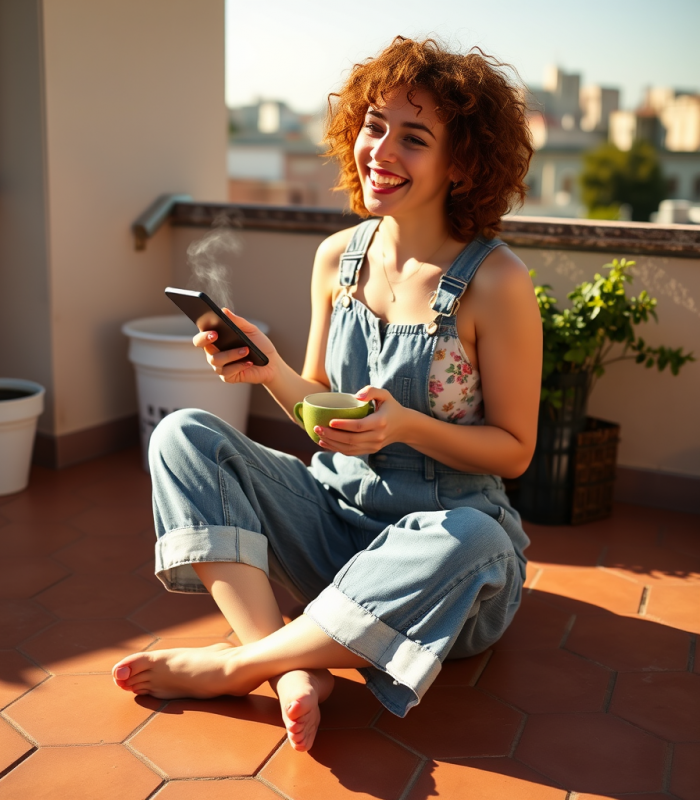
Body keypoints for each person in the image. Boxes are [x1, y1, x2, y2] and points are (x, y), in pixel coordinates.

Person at [113, 36, 541, 753]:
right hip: (334, 532)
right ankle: (287, 669)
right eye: (374, 125)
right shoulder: (336, 260)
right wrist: (269, 370)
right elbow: (318, 410)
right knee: (181, 435)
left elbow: (517, 451)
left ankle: (241, 665)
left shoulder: (497, 283)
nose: (381, 150)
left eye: (414, 137)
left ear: (461, 164)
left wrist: (404, 427)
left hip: (443, 567)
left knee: (478, 537)